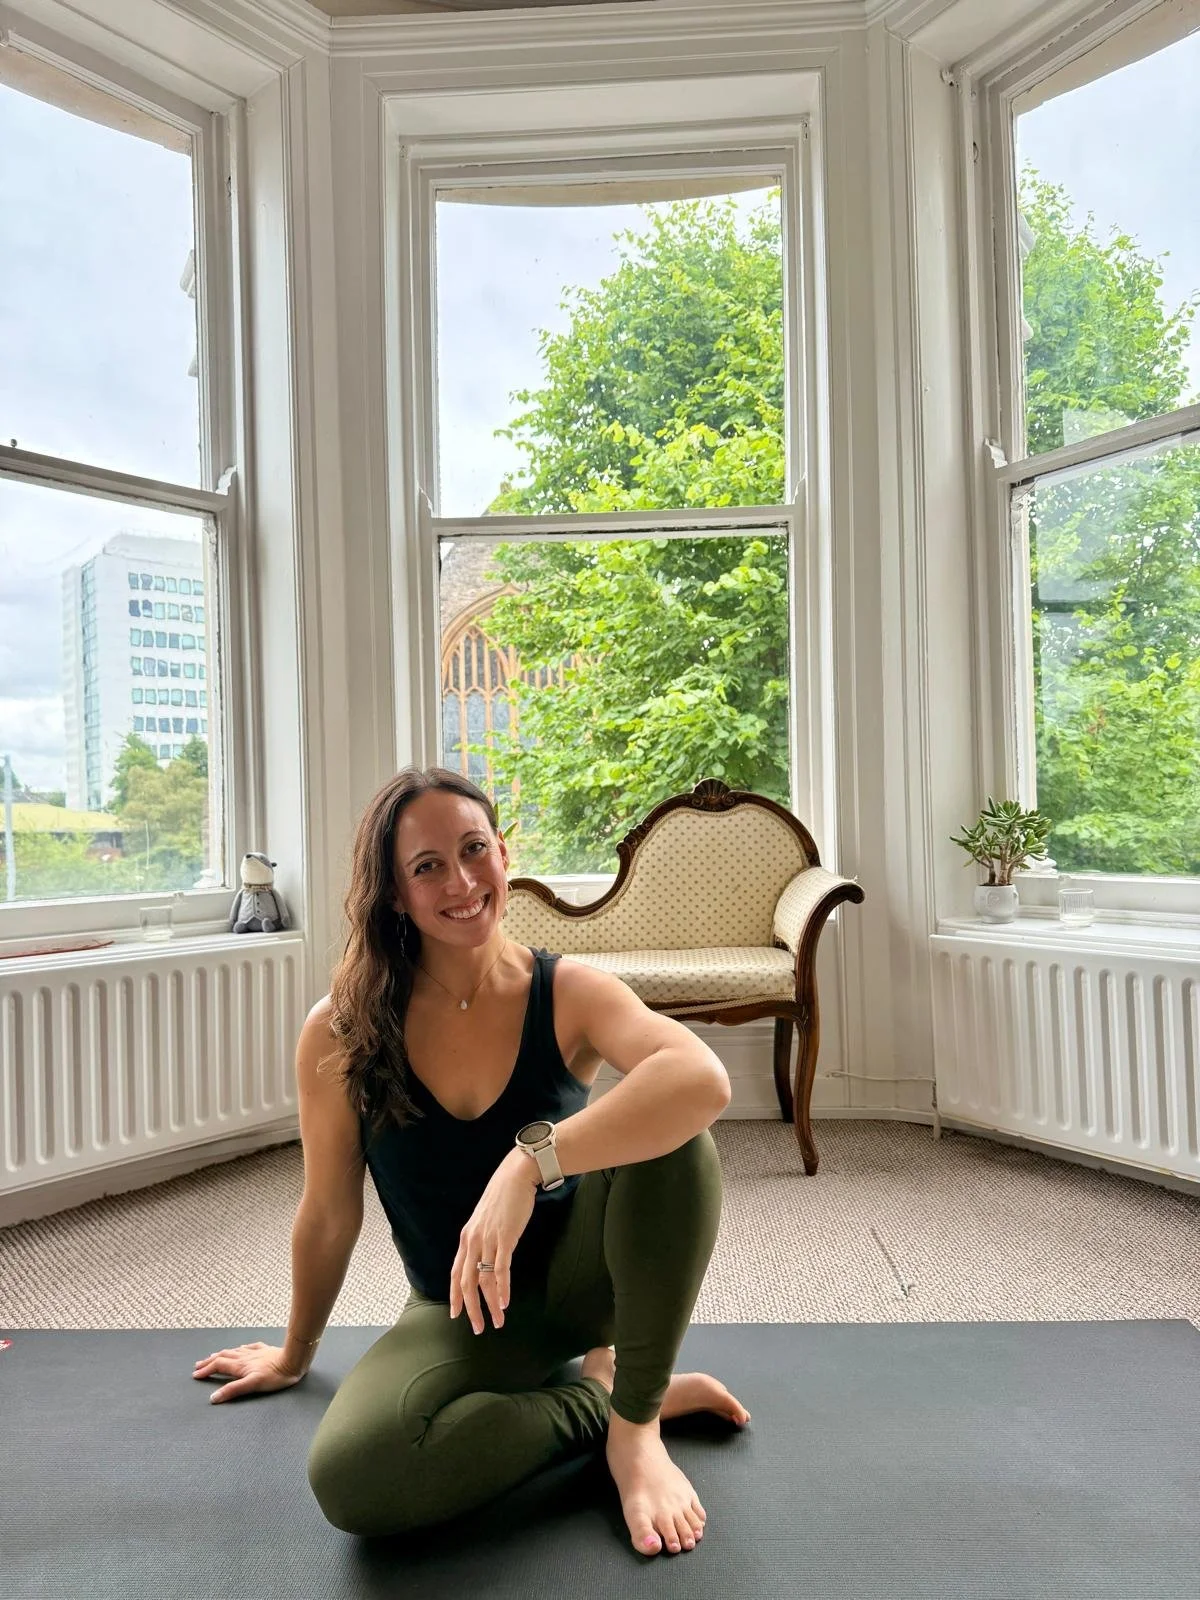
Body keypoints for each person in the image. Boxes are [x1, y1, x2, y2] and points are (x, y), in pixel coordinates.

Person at [192, 767, 749, 1557]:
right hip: (458, 1312)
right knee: (353, 1477)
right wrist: (294, 1354)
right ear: (393, 893)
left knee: (679, 1135)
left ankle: (634, 1430)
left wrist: (528, 1164)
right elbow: (326, 1212)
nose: (461, 881)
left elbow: (701, 1078)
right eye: (426, 867)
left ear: (503, 852)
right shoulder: (340, 1031)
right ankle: (607, 1398)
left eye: (474, 849)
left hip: (585, 1285)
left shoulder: (568, 991)